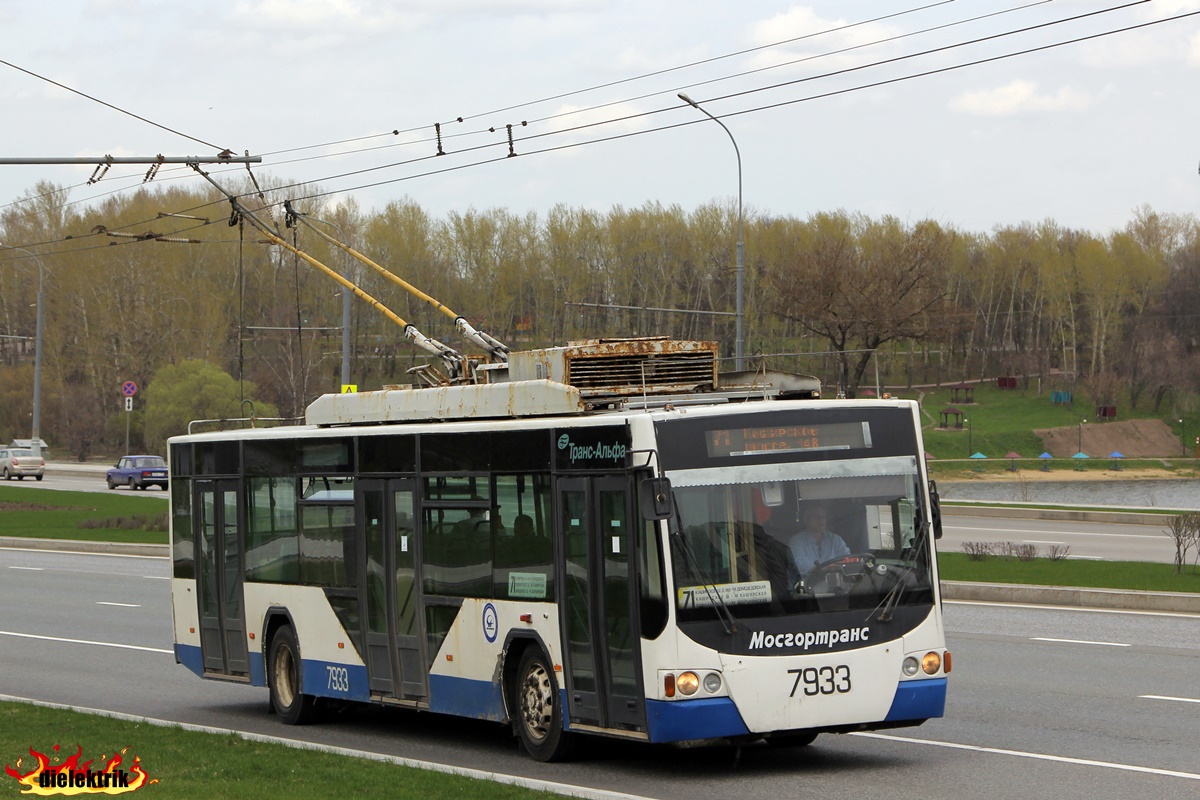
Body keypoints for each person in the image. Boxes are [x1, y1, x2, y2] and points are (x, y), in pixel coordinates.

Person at [788, 503, 850, 571]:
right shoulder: (797, 541)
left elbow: (847, 559)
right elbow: (798, 565)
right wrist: (823, 568)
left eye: (823, 517)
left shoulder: (835, 539)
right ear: (806, 519)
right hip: (809, 581)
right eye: (817, 517)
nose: (821, 520)